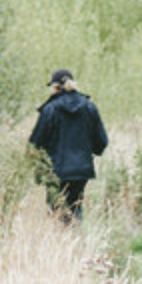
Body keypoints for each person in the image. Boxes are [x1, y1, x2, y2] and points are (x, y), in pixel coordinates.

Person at [28, 68, 108, 220]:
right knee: (75, 208)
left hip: (55, 170)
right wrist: (89, 153)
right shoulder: (89, 107)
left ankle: (60, 242)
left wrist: (37, 163)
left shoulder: (49, 109)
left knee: (56, 211)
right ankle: (77, 241)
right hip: (81, 170)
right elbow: (102, 141)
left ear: (55, 87)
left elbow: (35, 142)